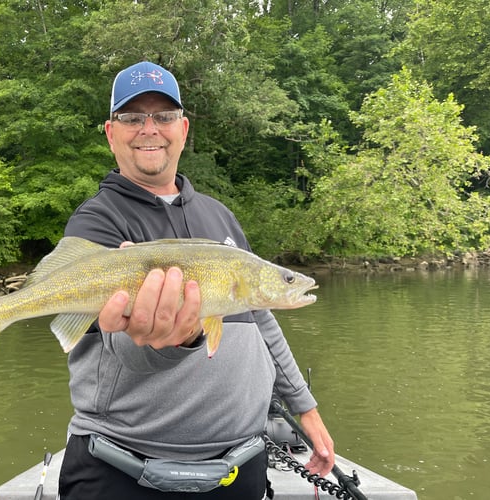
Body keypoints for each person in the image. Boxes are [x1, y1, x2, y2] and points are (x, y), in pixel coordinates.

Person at [57, 61, 335, 500]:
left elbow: (262, 323)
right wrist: (178, 339)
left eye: (164, 117)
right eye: (132, 118)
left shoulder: (219, 216)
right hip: (124, 473)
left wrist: (306, 408)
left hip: (240, 467)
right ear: (111, 134)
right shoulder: (97, 221)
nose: (150, 129)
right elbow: (125, 352)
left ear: (183, 129)